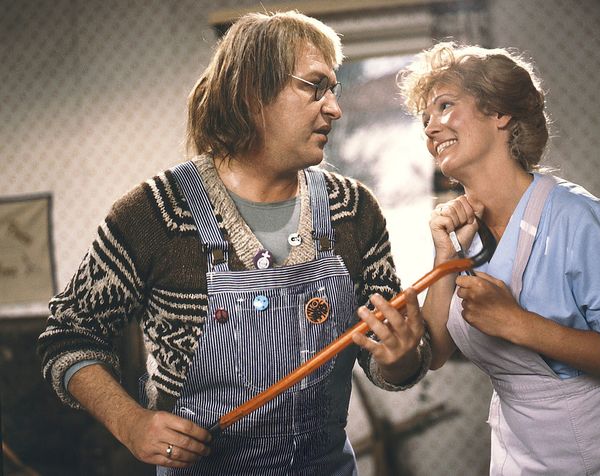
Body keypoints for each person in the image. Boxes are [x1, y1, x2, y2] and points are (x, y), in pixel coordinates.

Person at [37, 11, 431, 475]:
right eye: (315, 87)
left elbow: (383, 357)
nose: (334, 109)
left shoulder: (353, 210)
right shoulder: (157, 213)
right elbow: (69, 334)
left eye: (334, 89)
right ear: (251, 93)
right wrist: (131, 423)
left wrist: (401, 361)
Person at [380, 41, 600, 474]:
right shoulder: (460, 233)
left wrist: (518, 323)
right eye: (425, 119)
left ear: (499, 112)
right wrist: (444, 256)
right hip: (520, 455)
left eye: (445, 106)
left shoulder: (580, 220)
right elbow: (436, 351)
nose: (430, 129)